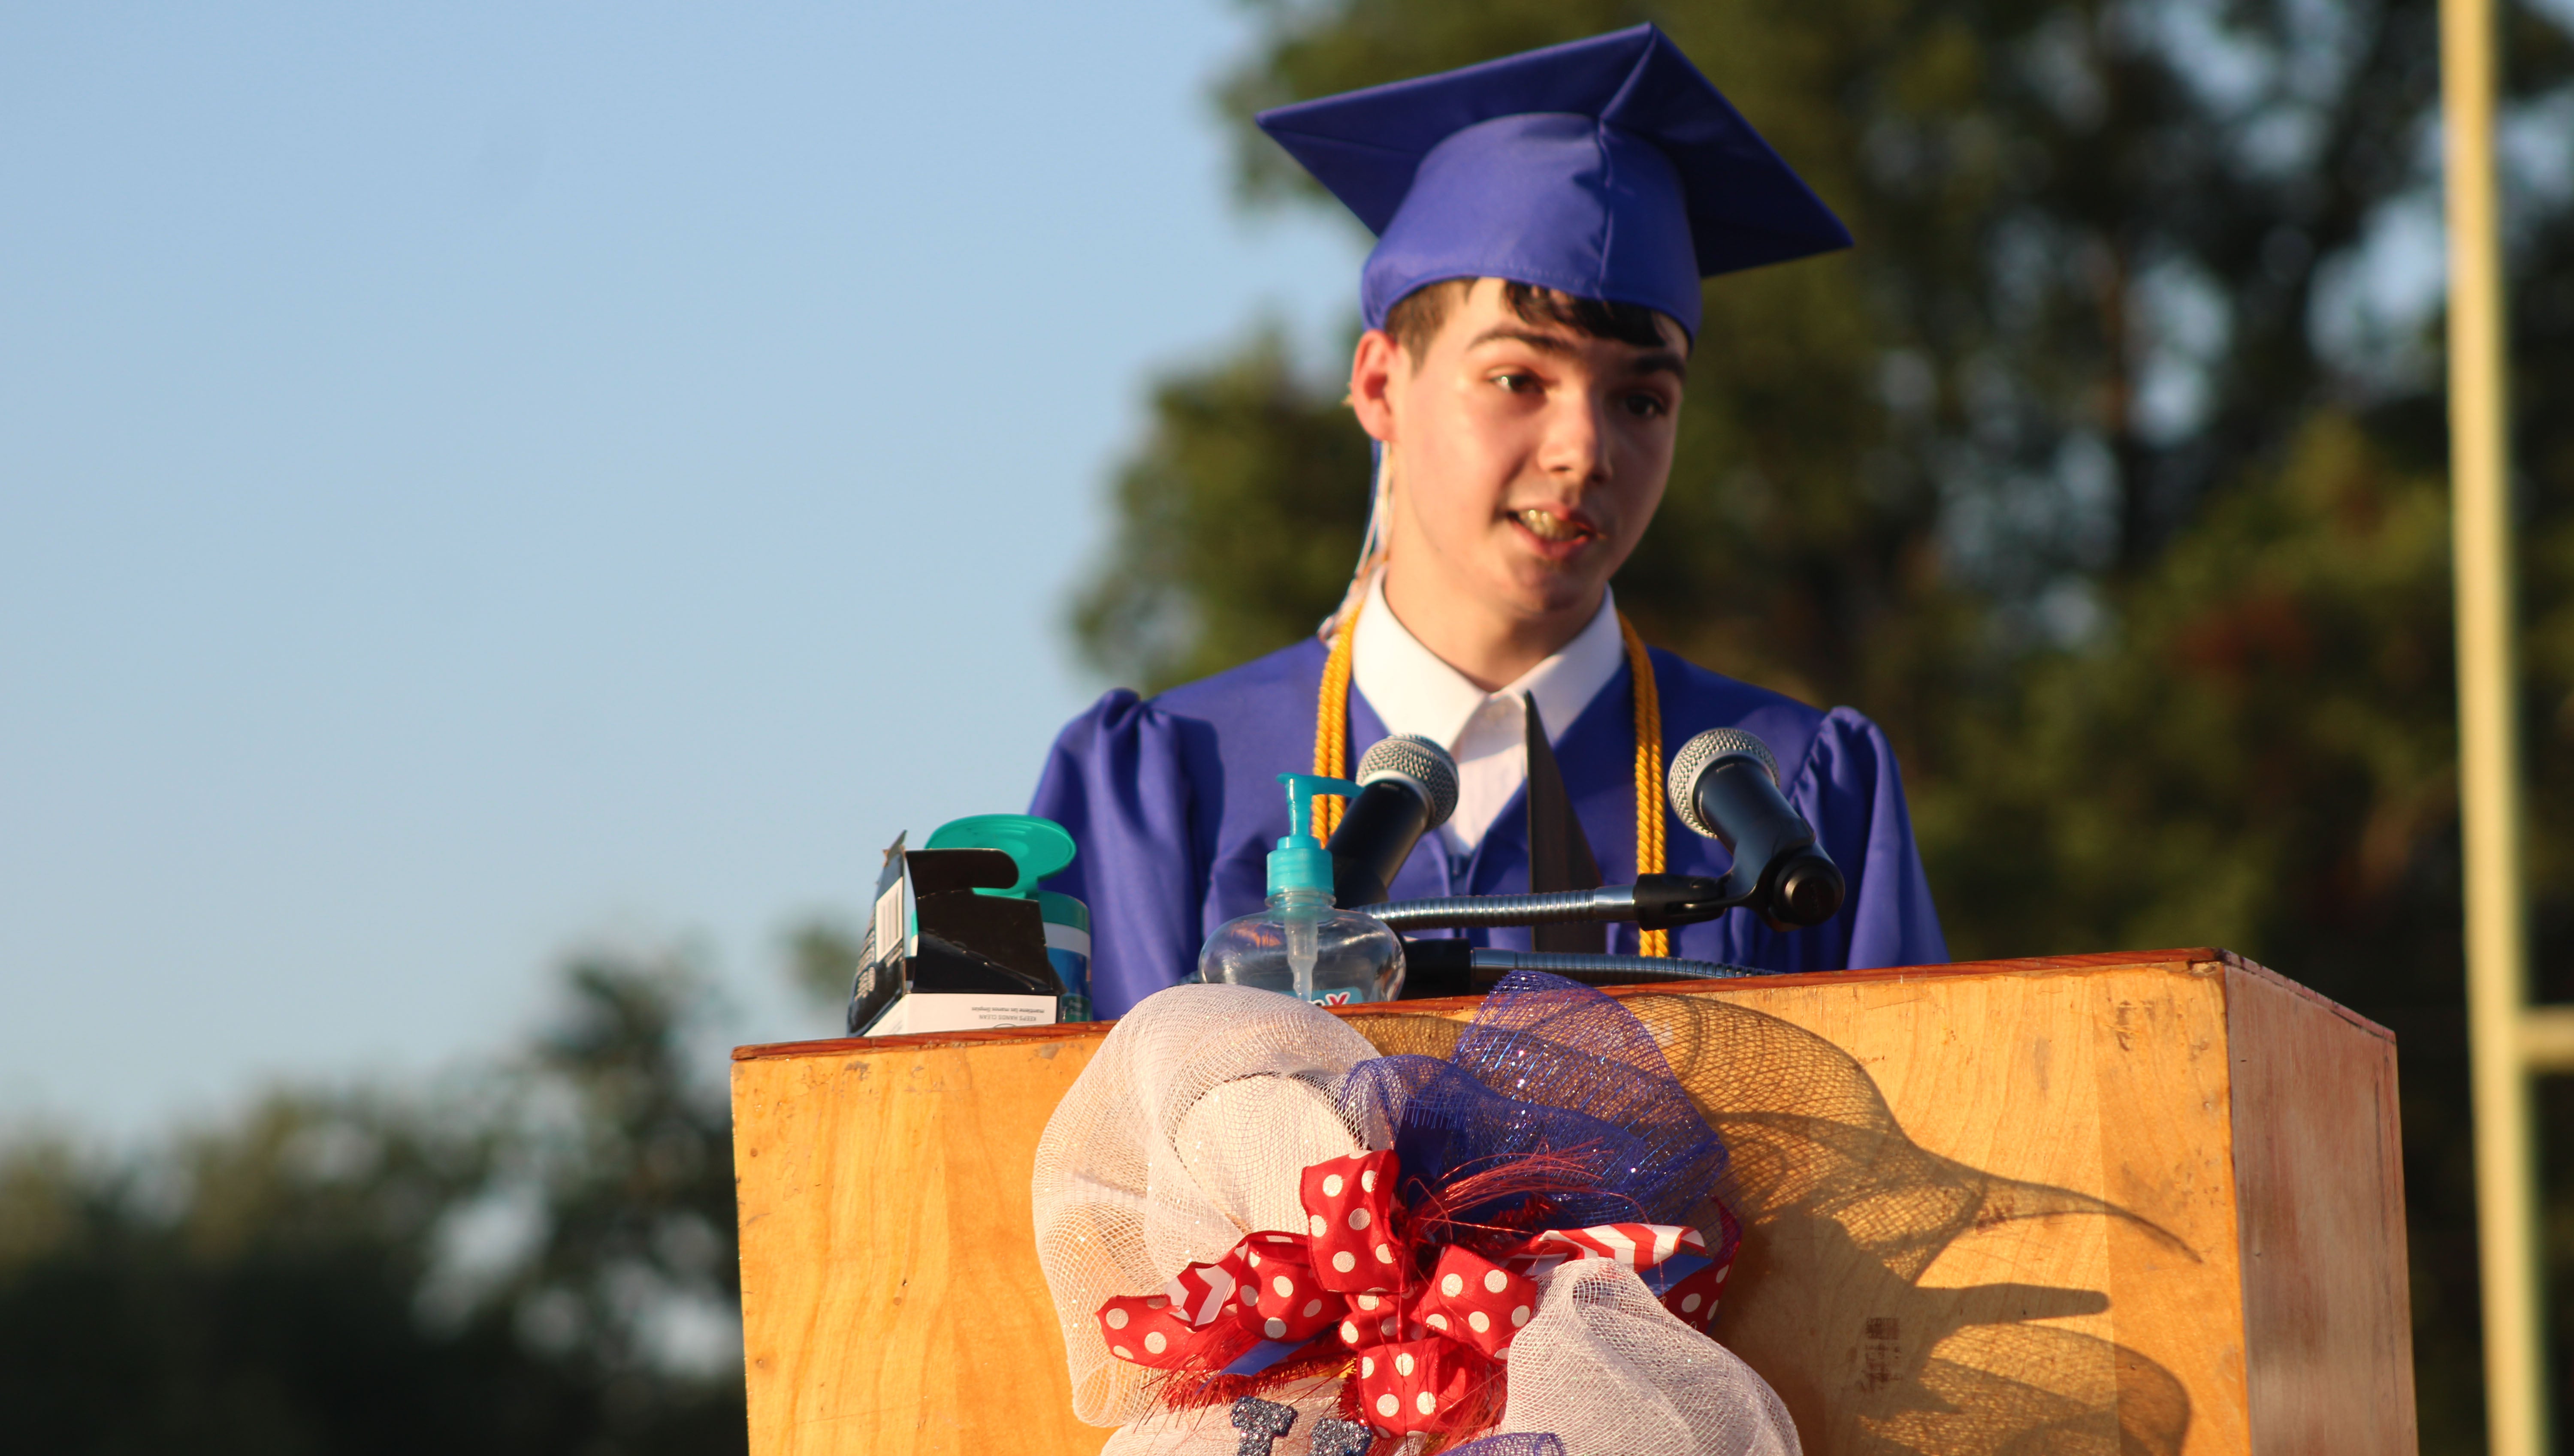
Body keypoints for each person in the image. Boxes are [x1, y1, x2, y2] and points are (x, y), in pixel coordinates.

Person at [1031, 24, 1947, 1017]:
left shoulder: (1794, 794)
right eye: (1518, 378)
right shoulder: (1165, 788)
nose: (1585, 450)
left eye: (1642, 401)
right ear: (1382, 382)